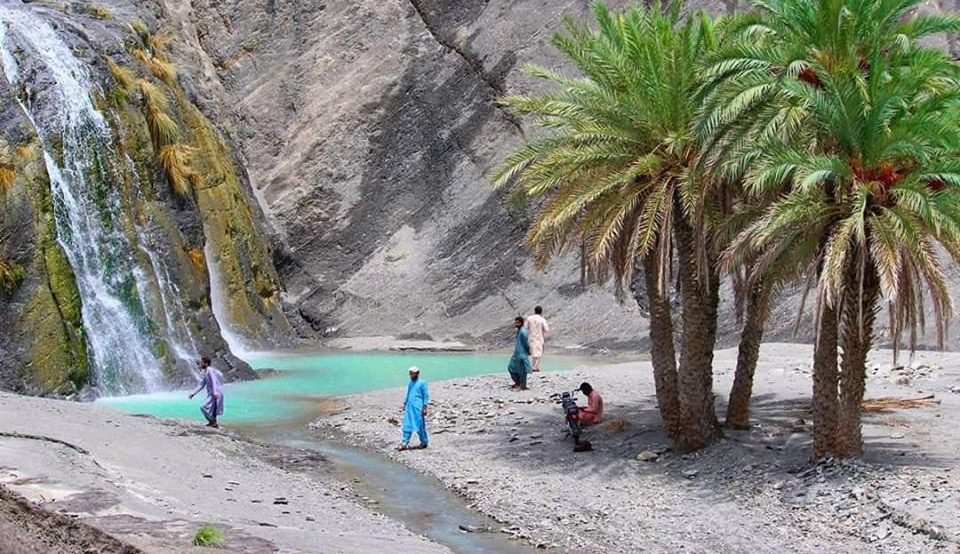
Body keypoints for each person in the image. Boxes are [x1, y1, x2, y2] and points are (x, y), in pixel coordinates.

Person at [188, 356, 224, 428]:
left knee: (204, 407)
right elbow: (201, 385)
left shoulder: (210, 370)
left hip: (216, 392)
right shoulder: (205, 372)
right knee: (211, 409)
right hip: (212, 393)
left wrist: (215, 392)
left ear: (206, 363)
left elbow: (214, 381)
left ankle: (213, 422)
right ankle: (212, 422)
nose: (200, 364)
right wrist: (193, 393)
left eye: (202, 362)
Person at [399, 366, 429, 451]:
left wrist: (425, 407)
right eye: (410, 374)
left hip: (418, 407)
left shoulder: (422, 383)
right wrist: (405, 404)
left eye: (413, 374)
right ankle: (404, 443)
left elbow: (425, 395)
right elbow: (408, 393)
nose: (411, 375)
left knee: (419, 425)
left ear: (417, 373)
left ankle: (424, 442)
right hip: (409, 407)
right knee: (407, 425)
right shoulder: (410, 383)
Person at [507, 316, 532, 390]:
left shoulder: (523, 332)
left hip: (522, 353)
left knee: (522, 369)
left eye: (518, 323)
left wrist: (528, 350)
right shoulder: (519, 330)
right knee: (511, 367)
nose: (516, 324)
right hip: (517, 353)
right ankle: (518, 382)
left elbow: (526, 342)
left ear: (521, 323)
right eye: (516, 322)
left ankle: (522, 385)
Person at [524, 306, 551, 372]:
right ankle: (535, 367)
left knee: (533, 353)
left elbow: (525, 327)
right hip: (539, 339)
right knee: (539, 354)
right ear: (541, 312)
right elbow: (547, 329)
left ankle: (534, 367)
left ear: (534, 311)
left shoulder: (529, 318)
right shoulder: (542, 319)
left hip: (531, 338)